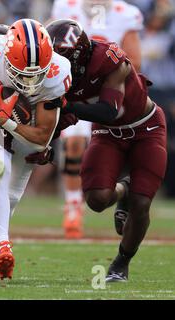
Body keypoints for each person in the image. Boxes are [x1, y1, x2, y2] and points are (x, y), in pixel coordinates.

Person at [46, 19, 167, 282]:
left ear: (78, 53)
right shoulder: (60, 74)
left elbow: (109, 110)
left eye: (60, 57)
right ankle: (122, 189)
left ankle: (121, 262)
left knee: (142, 201)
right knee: (97, 200)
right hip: (108, 133)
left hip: (146, 128)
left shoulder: (111, 60)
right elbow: (60, 117)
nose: (55, 65)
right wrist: (44, 141)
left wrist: (66, 106)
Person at [0, 19, 73, 280]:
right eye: (24, 72)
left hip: (26, 131)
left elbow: (42, 138)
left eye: (38, 72)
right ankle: (3, 246)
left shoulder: (57, 72)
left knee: (10, 201)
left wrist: (9, 120)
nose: (32, 79)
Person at [50, 0, 144, 238]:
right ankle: (73, 206)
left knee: (117, 149)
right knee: (73, 145)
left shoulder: (125, 13)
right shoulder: (65, 6)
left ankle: (122, 191)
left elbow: (134, 60)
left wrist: (107, 77)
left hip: (106, 88)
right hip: (71, 86)